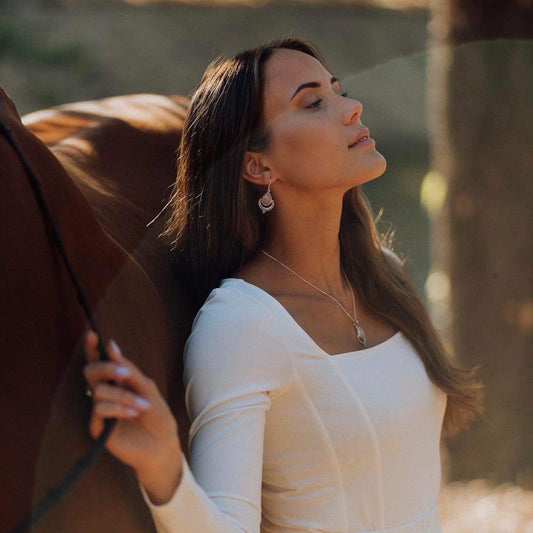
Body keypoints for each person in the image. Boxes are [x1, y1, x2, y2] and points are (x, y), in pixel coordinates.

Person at [83, 37, 484, 532]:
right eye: (313, 102)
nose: (352, 107)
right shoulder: (241, 325)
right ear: (258, 165)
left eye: (337, 91)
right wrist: (165, 468)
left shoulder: (386, 275)